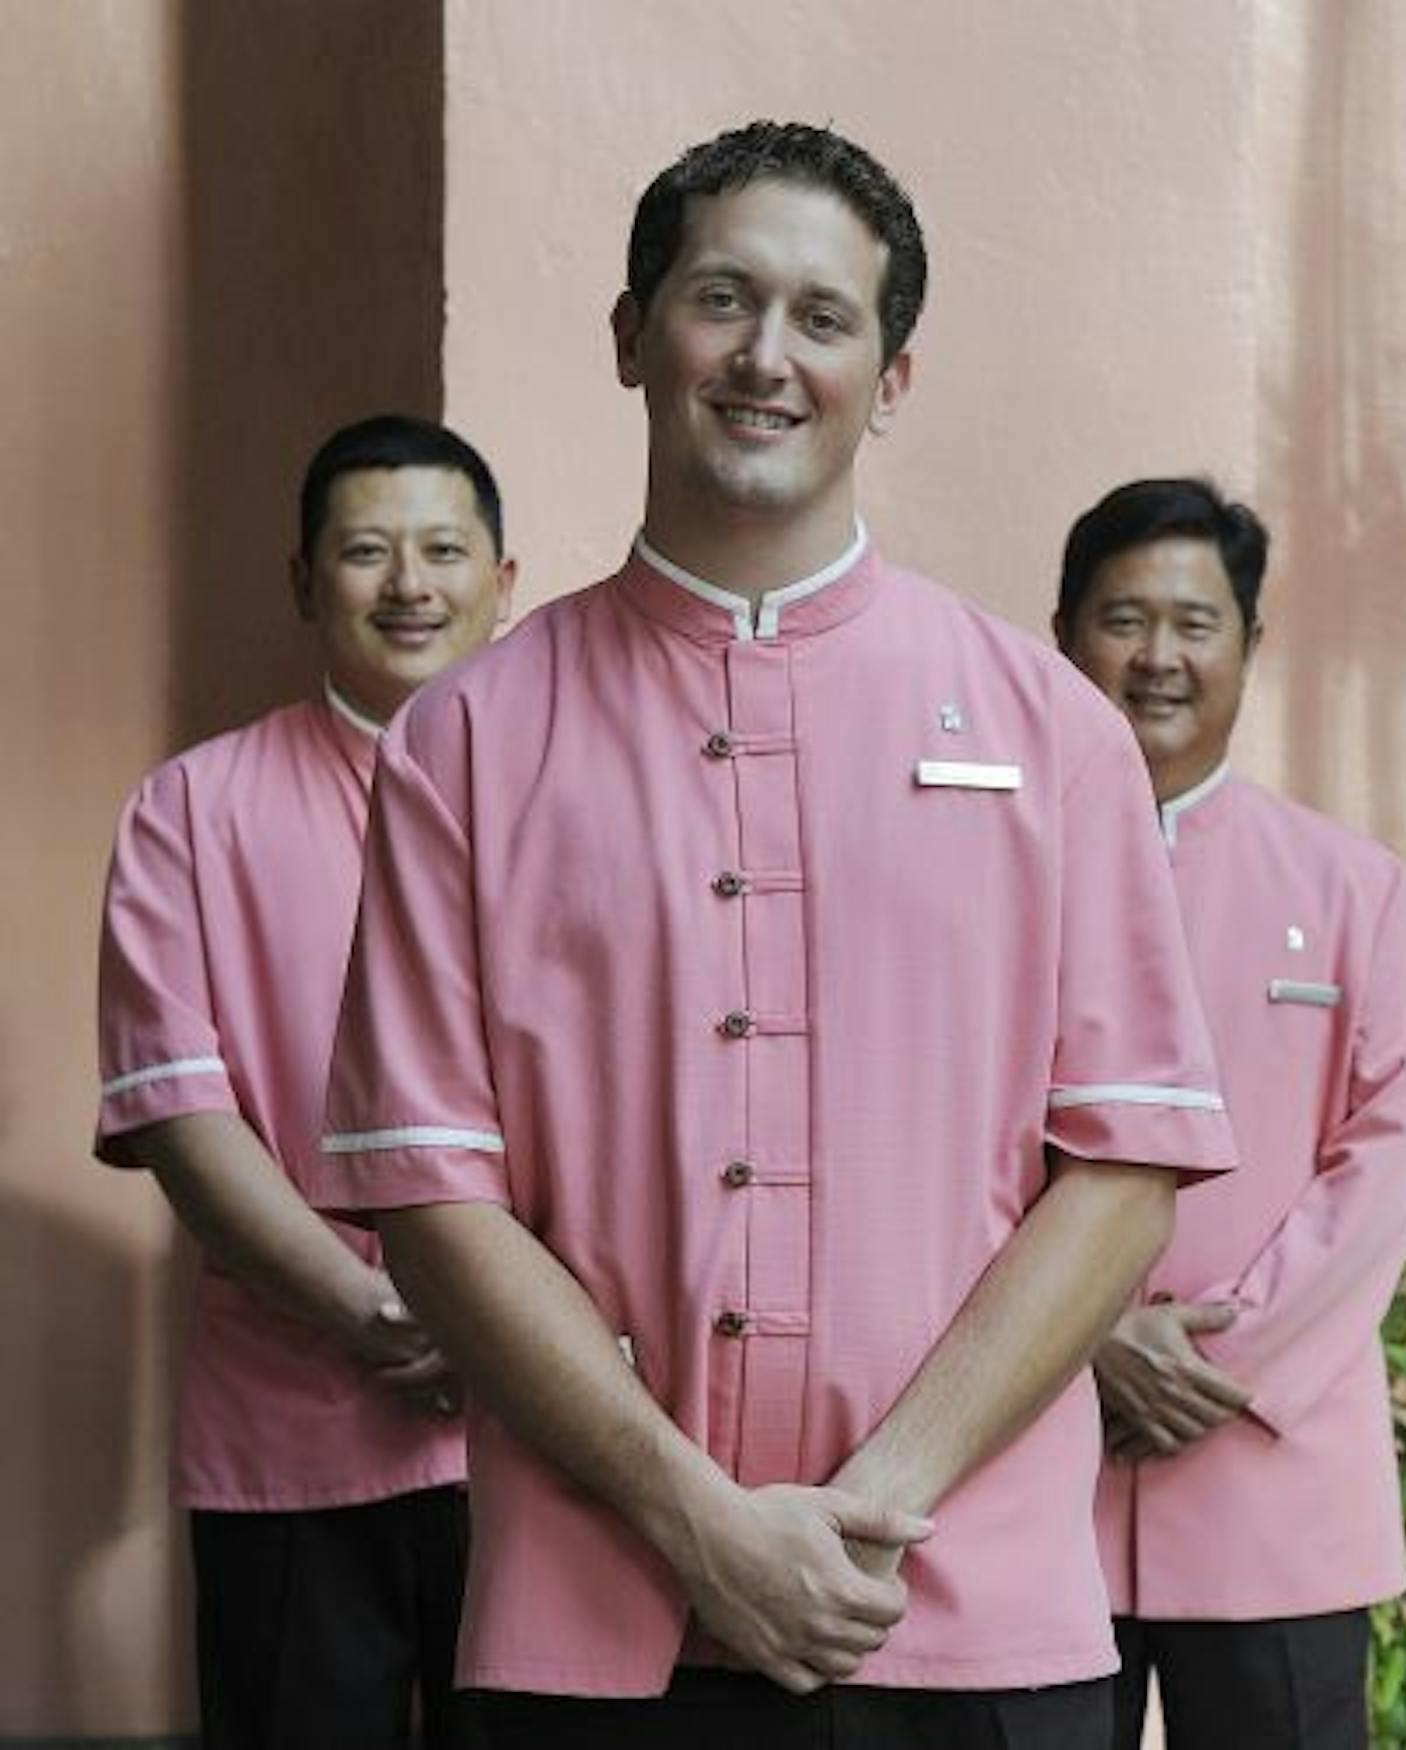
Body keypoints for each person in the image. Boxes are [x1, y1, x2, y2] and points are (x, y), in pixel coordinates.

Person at [295, 122, 1236, 1750]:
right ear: (631, 335)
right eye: (722, 299)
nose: (767, 356)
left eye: (825, 317)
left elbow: (1125, 1170)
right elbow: (434, 1195)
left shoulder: (1050, 728)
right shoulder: (467, 735)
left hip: (969, 1615)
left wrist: (872, 1508)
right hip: (586, 1629)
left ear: (895, 375)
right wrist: (699, 1523)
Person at [94, 414, 518, 1749]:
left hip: (550, 1431)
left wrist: (511, 1329)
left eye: (446, 549)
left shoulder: (589, 799)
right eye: (368, 551)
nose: (411, 584)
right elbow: (177, 1111)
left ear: (506, 581)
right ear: (303, 580)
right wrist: (369, 1310)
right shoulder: (192, 809)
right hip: (292, 1438)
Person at [1055, 477, 1406, 1750]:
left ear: (1250, 645)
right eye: (1122, 618)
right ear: (1063, 635)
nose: (1157, 657)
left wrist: (1213, 1362)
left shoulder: (1352, 890)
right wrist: (1088, 1334)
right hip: (1042, 1466)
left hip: (1277, 1486)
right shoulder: (996, 873)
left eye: (1194, 622)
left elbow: (1380, 1166)